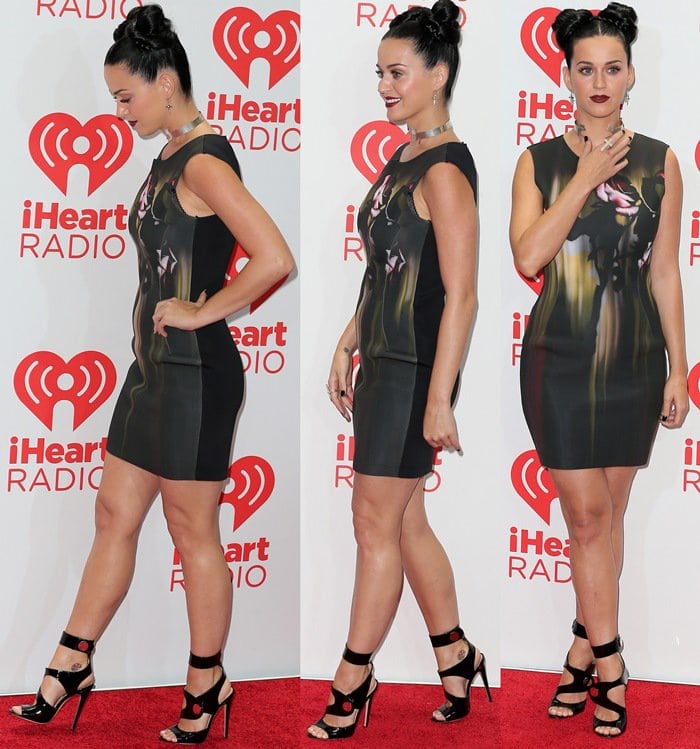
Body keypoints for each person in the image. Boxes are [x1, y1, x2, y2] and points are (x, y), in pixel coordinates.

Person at [10, 4, 294, 744]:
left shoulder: (203, 158)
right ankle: (73, 661)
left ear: (165, 82)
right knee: (113, 514)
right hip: (151, 372)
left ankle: (207, 681)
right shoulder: (169, 153)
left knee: (193, 529)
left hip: (198, 374)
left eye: (125, 96)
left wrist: (203, 312)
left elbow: (274, 256)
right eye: (113, 98)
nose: (118, 111)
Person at [308, 0, 489, 740]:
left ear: (437, 74)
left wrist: (440, 396)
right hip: (381, 360)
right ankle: (456, 655)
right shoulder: (403, 153)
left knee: (374, 522)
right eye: (379, 72)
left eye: (396, 72)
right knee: (406, 522)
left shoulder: (446, 167)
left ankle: (353, 676)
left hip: (416, 369)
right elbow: (387, 268)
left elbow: (464, 296)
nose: (382, 85)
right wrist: (348, 337)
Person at [510, 2, 687, 739]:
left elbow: (666, 273)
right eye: (586, 67)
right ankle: (612, 662)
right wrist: (583, 178)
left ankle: (583, 644)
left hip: (634, 362)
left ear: (632, 74)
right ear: (565, 76)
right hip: (558, 358)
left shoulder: (661, 160)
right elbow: (528, 257)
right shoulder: (540, 162)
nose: (600, 80)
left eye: (612, 66)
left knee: (604, 518)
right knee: (584, 514)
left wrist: (679, 367)